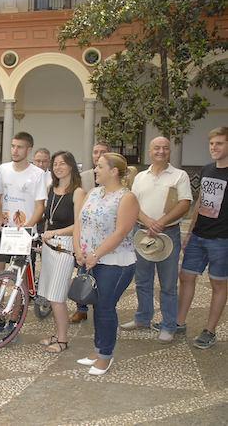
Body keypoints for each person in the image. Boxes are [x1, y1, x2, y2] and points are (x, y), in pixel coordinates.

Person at [120, 137, 192, 343]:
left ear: (169, 151)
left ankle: (169, 325)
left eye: (165, 148)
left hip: (168, 233)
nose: (161, 151)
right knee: (142, 280)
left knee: (168, 283)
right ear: (149, 151)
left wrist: (161, 222)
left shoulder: (180, 175)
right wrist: (148, 221)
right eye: (156, 148)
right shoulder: (140, 177)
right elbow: (132, 204)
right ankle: (142, 318)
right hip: (142, 233)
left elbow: (184, 203)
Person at [73, 153, 138, 375]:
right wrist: (78, 251)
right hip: (90, 260)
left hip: (116, 263)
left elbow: (121, 232)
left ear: (114, 171)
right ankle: (98, 349)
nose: (95, 170)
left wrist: (96, 254)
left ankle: (106, 355)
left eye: (100, 166)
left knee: (105, 307)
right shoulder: (93, 193)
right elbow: (79, 223)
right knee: (96, 305)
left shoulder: (126, 197)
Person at [0, 132, 46, 336]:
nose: (15, 150)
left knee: (20, 279)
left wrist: (28, 227)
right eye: (13, 146)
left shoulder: (37, 174)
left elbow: (39, 207)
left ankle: (14, 320)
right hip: (4, 231)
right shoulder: (3, 169)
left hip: (24, 233)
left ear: (28, 150)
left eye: (19, 147)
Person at [177, 127, 228, 349]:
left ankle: (210, 330)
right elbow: (200, 202)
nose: (214, 147)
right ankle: (179, 322)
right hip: (198, 236)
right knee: (186, 277)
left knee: (218, 284)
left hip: (222, 239)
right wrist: (190, 231)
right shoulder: (207, 169)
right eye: (211, 144)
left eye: (219, 143)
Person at [37, 151, 85, 353]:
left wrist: (55, 232)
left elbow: (79, 225)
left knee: (57, 297)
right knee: (50, 294)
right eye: (55, 164)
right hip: (49, 246)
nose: (58, 167)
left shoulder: (78, 192)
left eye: (63, 163)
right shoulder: (51, 188)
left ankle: (63, 340)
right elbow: (48, 217)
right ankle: (57, 334)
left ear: (71, 166)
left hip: (65, 246)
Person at [71, 139, 112, 323]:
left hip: (105, 235)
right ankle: (81, 308)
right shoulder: (85, 176)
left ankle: (99, 308)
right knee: (83, 272)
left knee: (102, 275)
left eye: (103, 152)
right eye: (95, 152)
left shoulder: (115, 177)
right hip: (86, 233)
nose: (98, 155)